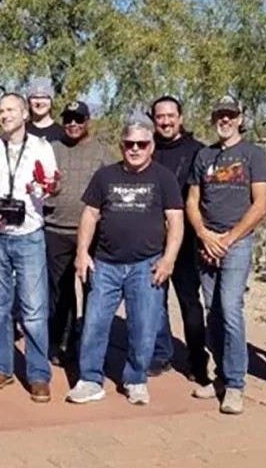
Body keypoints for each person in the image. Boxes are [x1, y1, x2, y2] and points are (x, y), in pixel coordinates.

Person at [68, 113, 183, 405]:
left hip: (146, 265)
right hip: (105, 264)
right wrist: (82, 253)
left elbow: (176, 221)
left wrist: (168, 259)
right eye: (129, 143)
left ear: (151, 146)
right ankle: (90, 380)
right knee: (94, 323)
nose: (135, 149)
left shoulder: (164, 178)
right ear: (121, 145)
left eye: (141, 144)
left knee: (143, 326)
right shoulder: (105, 176)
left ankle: (136, 380)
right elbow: (90, 215)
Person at [185, 95, 266, 415]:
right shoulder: (203, 155)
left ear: (240, 118)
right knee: (213, 312)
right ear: (214, 119)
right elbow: (192, 201)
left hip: (237, 243)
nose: (225, 120)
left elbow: (259, 205)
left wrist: (228, 239)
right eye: (220, 114)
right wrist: (205, 235)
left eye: (231, 115)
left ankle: (235, 384)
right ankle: (221, 375)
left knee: (230, 308)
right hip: (206, 242)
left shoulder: (253, 154)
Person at [0, 92, 59, 403]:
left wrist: (47, 187)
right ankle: (0, 367)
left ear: (24, 114)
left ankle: (38, 374)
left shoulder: (41, 147)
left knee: (34, 310)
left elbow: (52, 187)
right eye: (1, 111)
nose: (5, 115)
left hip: (29, 235)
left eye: (11, 110)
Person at [43, 101, 113, 367]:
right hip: (55, 229)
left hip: (92, 234)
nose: (73, 124)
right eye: (69, 119)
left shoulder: (102, 153)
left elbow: (112, 189)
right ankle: (61, 342)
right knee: (60, 292)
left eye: (78, 119)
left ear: (87, 121)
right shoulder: (52, 150)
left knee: (94, 290)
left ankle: (90, 344)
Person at [151, 94, 206, 382]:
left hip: (186, 241)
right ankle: (161, 354)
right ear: (154, 120)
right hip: (152, 240)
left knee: (189, 301)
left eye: (171, 115)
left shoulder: (198, 151)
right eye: (160, 116)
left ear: (181, 118)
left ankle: (198, 359)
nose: (166, 121)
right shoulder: (145, 149)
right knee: (155, 301)